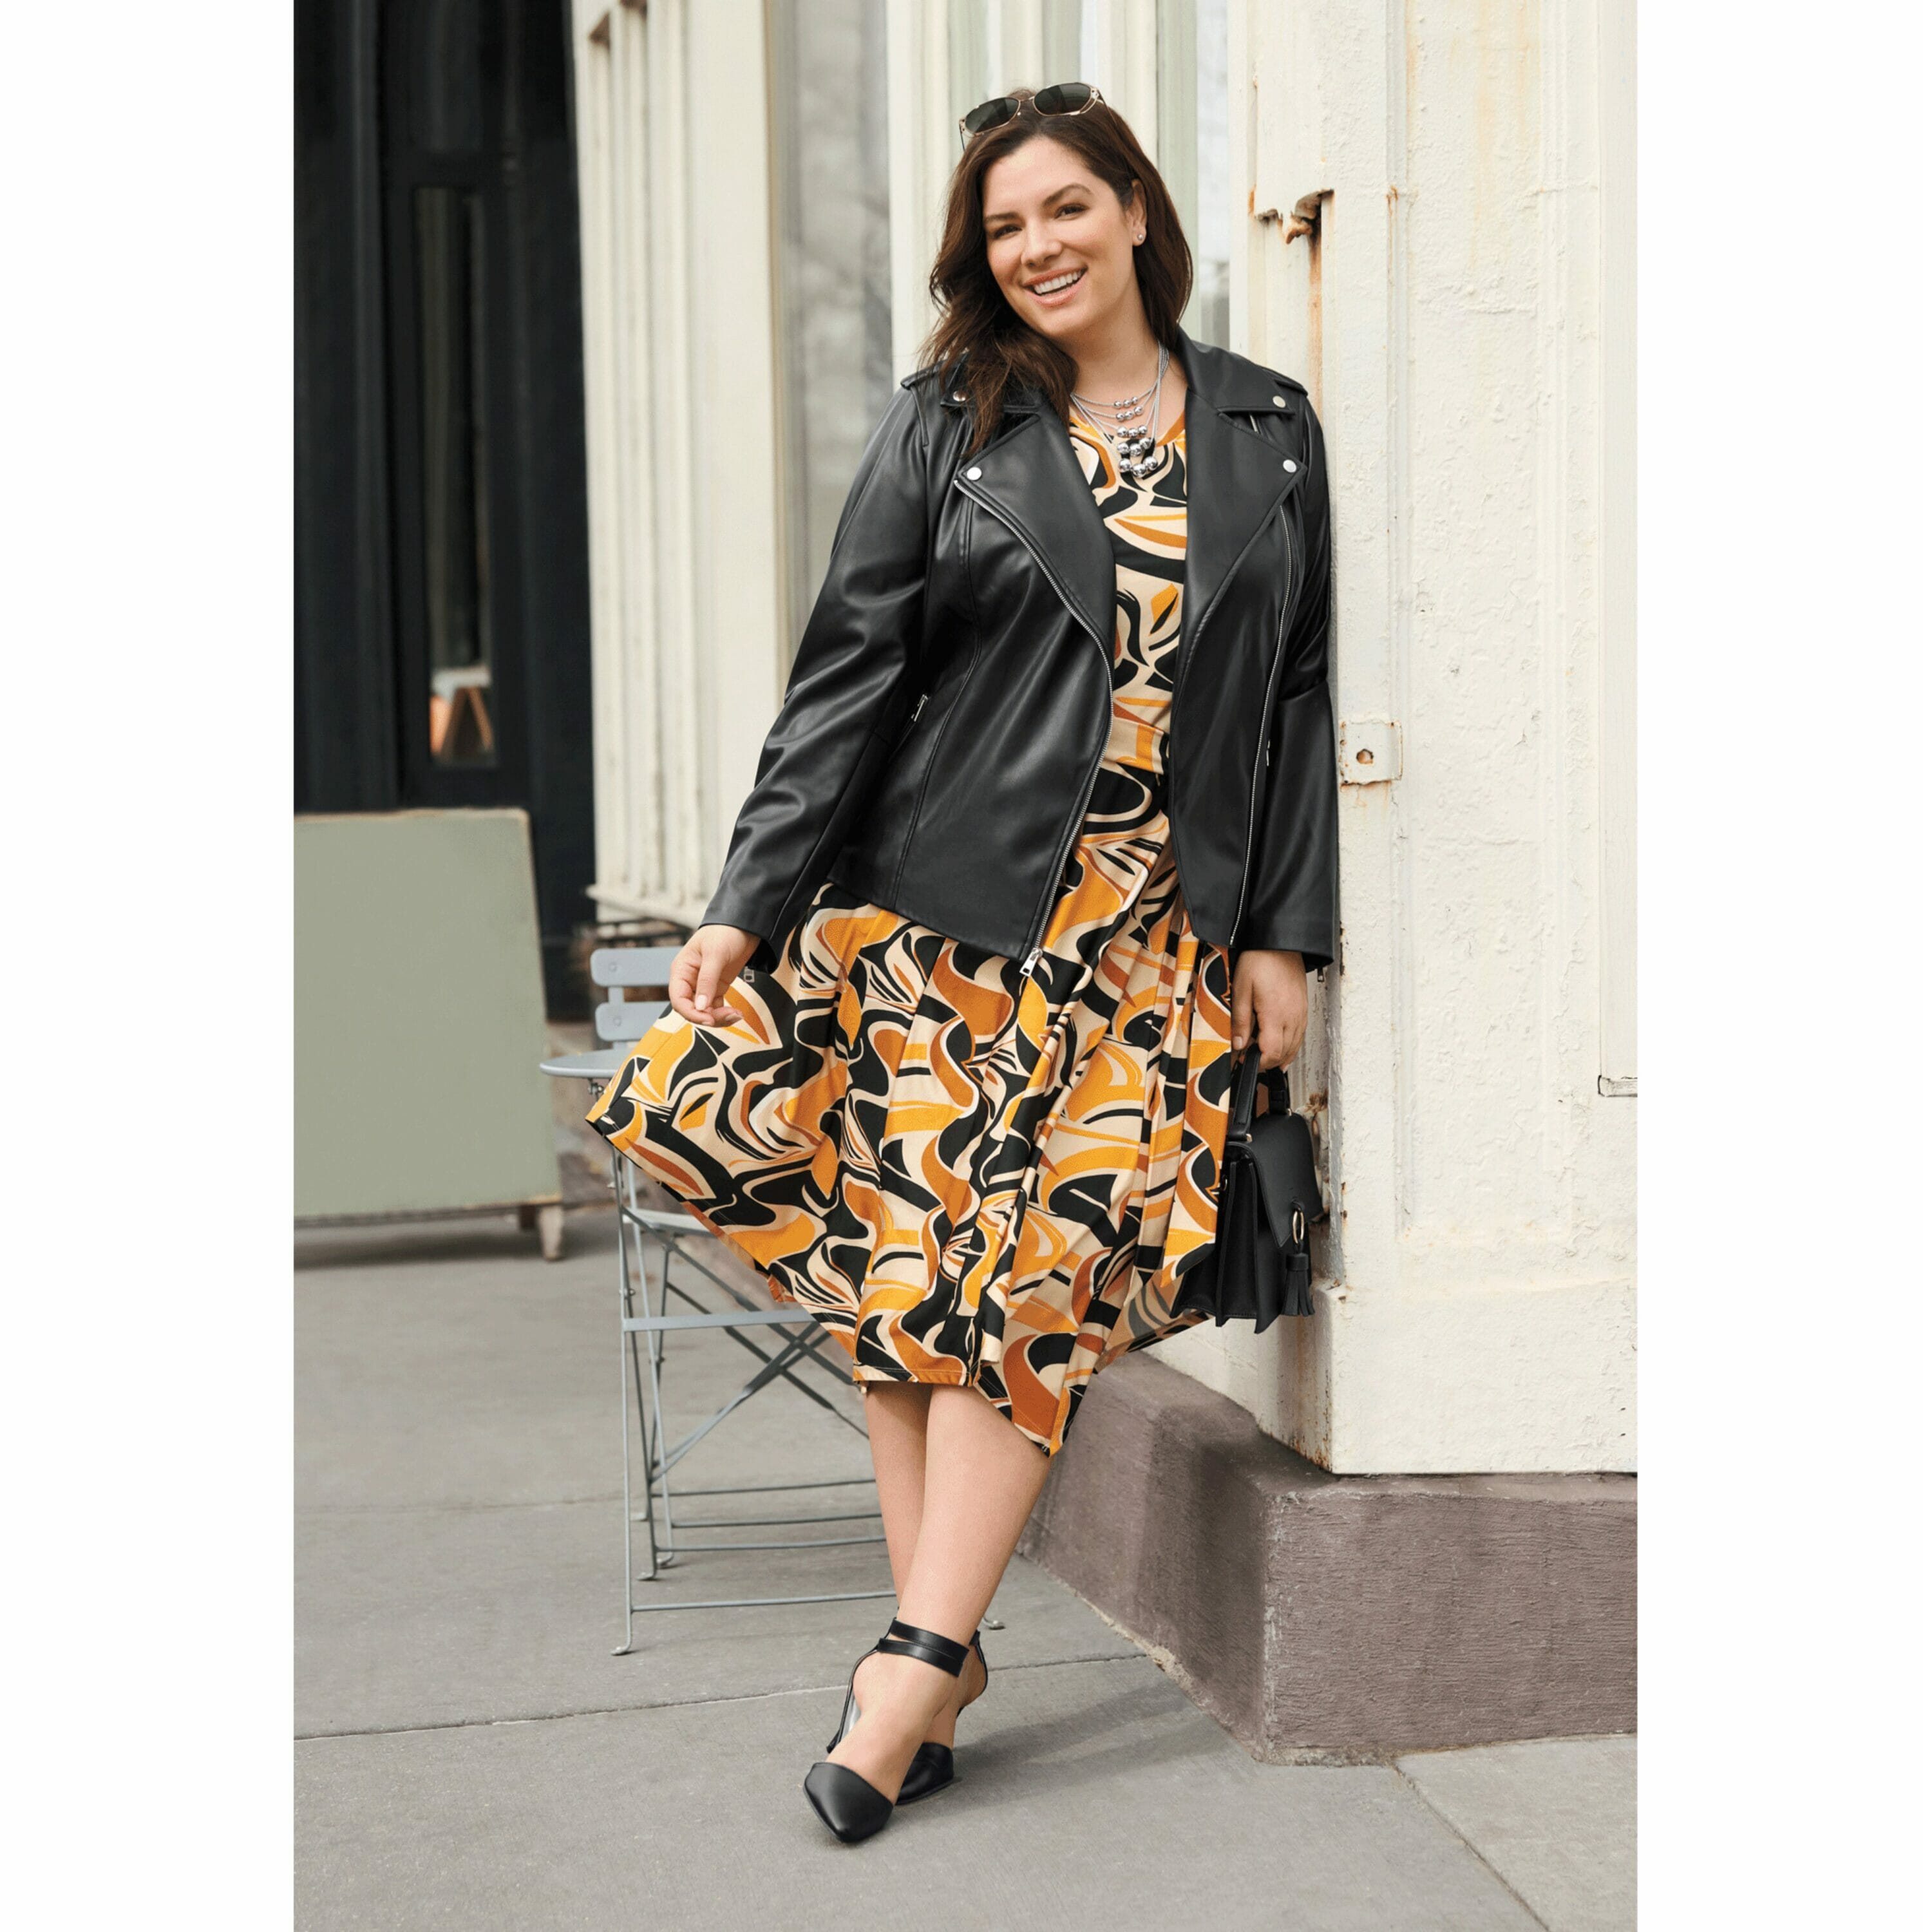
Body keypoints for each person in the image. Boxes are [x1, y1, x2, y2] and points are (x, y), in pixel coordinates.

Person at [586, 80, 1337, 1844]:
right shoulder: (956, 422)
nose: (1041, 246)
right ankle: (937, 1654)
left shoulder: (1267, 427)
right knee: (919, 1296)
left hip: (1149, 951)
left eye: (1069, 208)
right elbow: (847, 676)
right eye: (1008, 226)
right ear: (980, 258)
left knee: (1026, 1304)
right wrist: (740, 903)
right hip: (945, 930)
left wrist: (1284, 931)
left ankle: (915, 1665)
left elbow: (1296, 701)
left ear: (1138, 211)